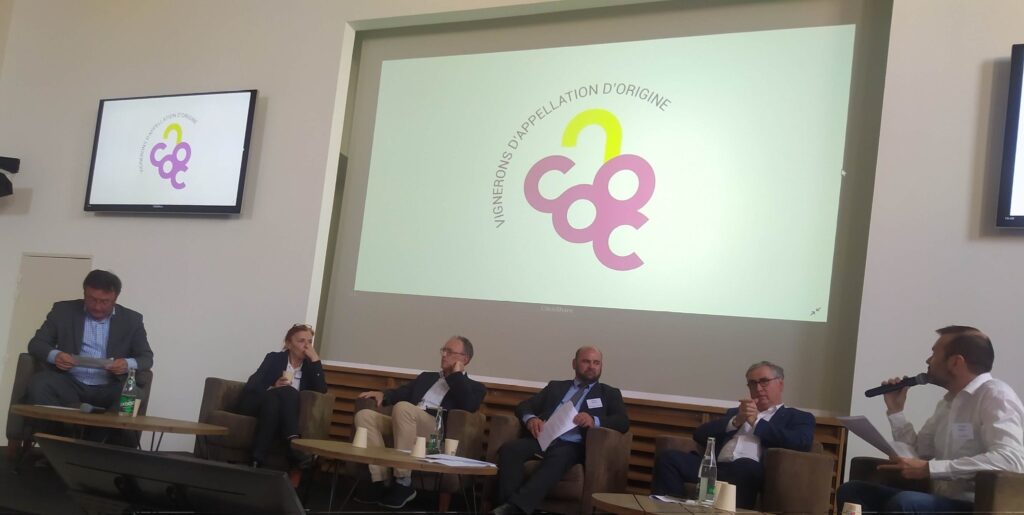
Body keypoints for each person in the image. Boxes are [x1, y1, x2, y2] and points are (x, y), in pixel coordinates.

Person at [837, 325, 1024, 512]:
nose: (928, 360)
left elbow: (1011, 460)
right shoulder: (947, 403)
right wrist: (896, 411)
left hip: (975, 506)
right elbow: (918, 453)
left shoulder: (995, 395)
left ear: (956, 362)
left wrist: (932, 469)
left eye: (934, 354)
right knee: (852, 490)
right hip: (940, 499)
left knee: (906, 503)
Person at [650, 361, 815, 509]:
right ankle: (672, 511)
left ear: (780, 384)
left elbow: (802, 442)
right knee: (669, 458)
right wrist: (736, 421)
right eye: (752, 383)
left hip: (750, 470)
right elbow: (699, 435)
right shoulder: (735, 413)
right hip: (716, 468)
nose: (758, 388)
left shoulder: (798, 417)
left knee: (744, 465)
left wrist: (756, 422)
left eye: (764, 381)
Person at [353, 335, 486, 509]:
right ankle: (381, 480)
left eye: (450, 352)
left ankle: (403, 482)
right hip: (407, 420)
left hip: (434, 432)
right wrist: (383, 394)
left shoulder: (474, 387)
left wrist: (456, 376)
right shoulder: (427, 377)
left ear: (464, 359)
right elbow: (402, 392)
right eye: (443, 350)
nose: (444, 355)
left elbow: (469, 405)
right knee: (364, 416)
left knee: (403, 408)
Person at [492, 346, 629, 515]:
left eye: (596, 363)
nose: (591, 367)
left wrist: (594, 420)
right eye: (586, 361)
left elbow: (623, 422)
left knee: (559, 456)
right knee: (510, 449)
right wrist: (531, 419)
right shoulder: (556, 387)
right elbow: (524, 406)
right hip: (543, 438)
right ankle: (506, 506)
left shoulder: (609, 393)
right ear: (574, 364)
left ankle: (515, 508)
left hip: (573, 445)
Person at [26, 270, 154, 426]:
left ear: (115, 298)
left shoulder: (132, 320)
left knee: (134, 395)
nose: (97, 307)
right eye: (92, 300)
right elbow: (36, 344)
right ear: (84, 293)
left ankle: (99, 439)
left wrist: (126, 364)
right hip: (70, 382)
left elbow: (146, 358)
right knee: (40, 383)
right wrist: (56, 355)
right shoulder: (63, 311)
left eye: (104, 302)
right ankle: (58, 436)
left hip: (109, 386)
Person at [236, 323, 327, 470]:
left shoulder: (310, 367)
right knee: (285, 392)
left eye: (309, 342)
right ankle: (293, 442)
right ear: (289, 344)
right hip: (258, 403)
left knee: (273, 404)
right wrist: (273, 387)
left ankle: (256, 461)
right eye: (301, 341)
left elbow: (321, 391)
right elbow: (252, 384)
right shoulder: (274, 358)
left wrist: (316, 360)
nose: (306, 346)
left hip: (280, 410)